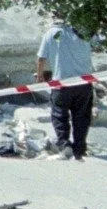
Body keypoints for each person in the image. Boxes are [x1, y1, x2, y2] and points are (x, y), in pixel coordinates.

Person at [36, 18, 96, 159]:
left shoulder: (50, 34)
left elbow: (41, 57)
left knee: (59, 115)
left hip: (61, 83)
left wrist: (40, 76)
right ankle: (80, 147)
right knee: (82, 116)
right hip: (84, 83)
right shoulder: (82, 32)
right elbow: (97, 44)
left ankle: (64, 144)